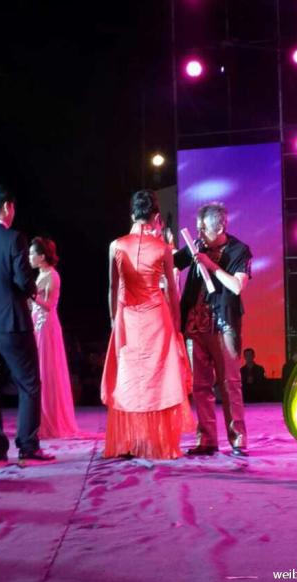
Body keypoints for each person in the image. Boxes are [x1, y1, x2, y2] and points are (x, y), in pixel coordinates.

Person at [101, 190, 194, 459]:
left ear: (132, 214)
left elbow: (113, 287)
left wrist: (113, 319)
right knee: (159, 378)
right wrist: (176, 323)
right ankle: (159, 442)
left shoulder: (116, 245)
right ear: (155, 217)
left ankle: (131, 441)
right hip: (157, 317)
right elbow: (172, 291)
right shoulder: (163, 248)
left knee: (129, 377)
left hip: (127, 318)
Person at [174, 202, 252, 457]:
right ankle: (207, 439)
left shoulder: (239, 250)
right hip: (195, 325)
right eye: (198, 228)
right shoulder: (197, 245)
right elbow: (171, 262)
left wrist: (211, 265)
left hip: (223, 324)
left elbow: (237, 286)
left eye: (203, 229)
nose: (199, 233)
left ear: (219, 228)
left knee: (230, 384)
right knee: (200, 386)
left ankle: (238, 439)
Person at [0, 185, 54, 466]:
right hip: (12, 321)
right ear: (7, 207)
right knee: (29, 384)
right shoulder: (14, 238)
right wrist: (32, 291)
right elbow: (23, 281)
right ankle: (27, 446)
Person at [29, 237, 79, 438]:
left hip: (46, 327)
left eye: (32, 253)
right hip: (37, 324)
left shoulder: (52, 275)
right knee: (39, 371)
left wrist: (32, 295)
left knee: (46, 370)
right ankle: (39, 418)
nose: (29, 257)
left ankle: (51, 420)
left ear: (42, 256)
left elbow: (49, 305)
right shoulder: (41, 274)